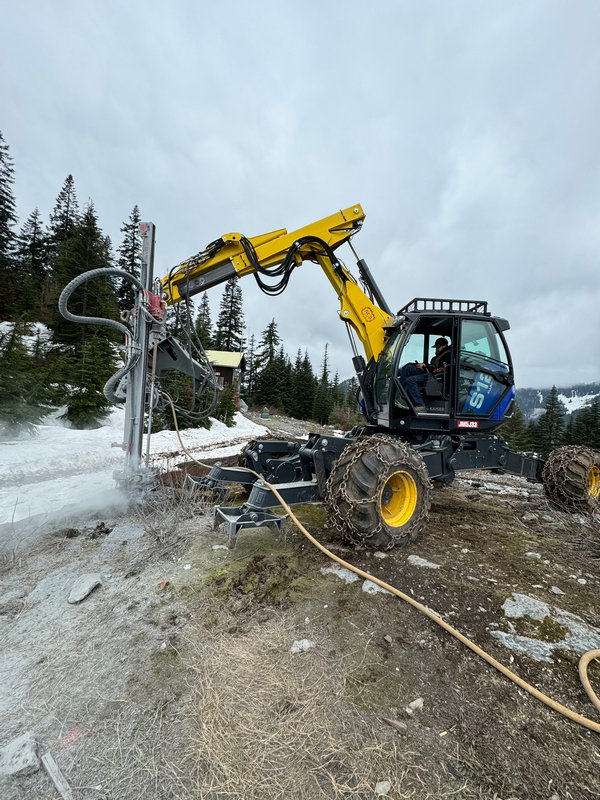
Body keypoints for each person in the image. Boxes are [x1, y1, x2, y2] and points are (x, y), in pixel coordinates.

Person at [399, 337, 451, 411]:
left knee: (410, 380)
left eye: (438, 347)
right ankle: (402, 391)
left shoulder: (447, 355)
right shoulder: (438, 356)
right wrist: (422, 366)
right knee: (409, 367)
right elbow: (433, 366)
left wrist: (424, 367)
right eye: (436, 348)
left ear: (444, 346)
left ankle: (420, 405)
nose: (436, 350)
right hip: (429, 373)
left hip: (434, 377)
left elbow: (439, 369)